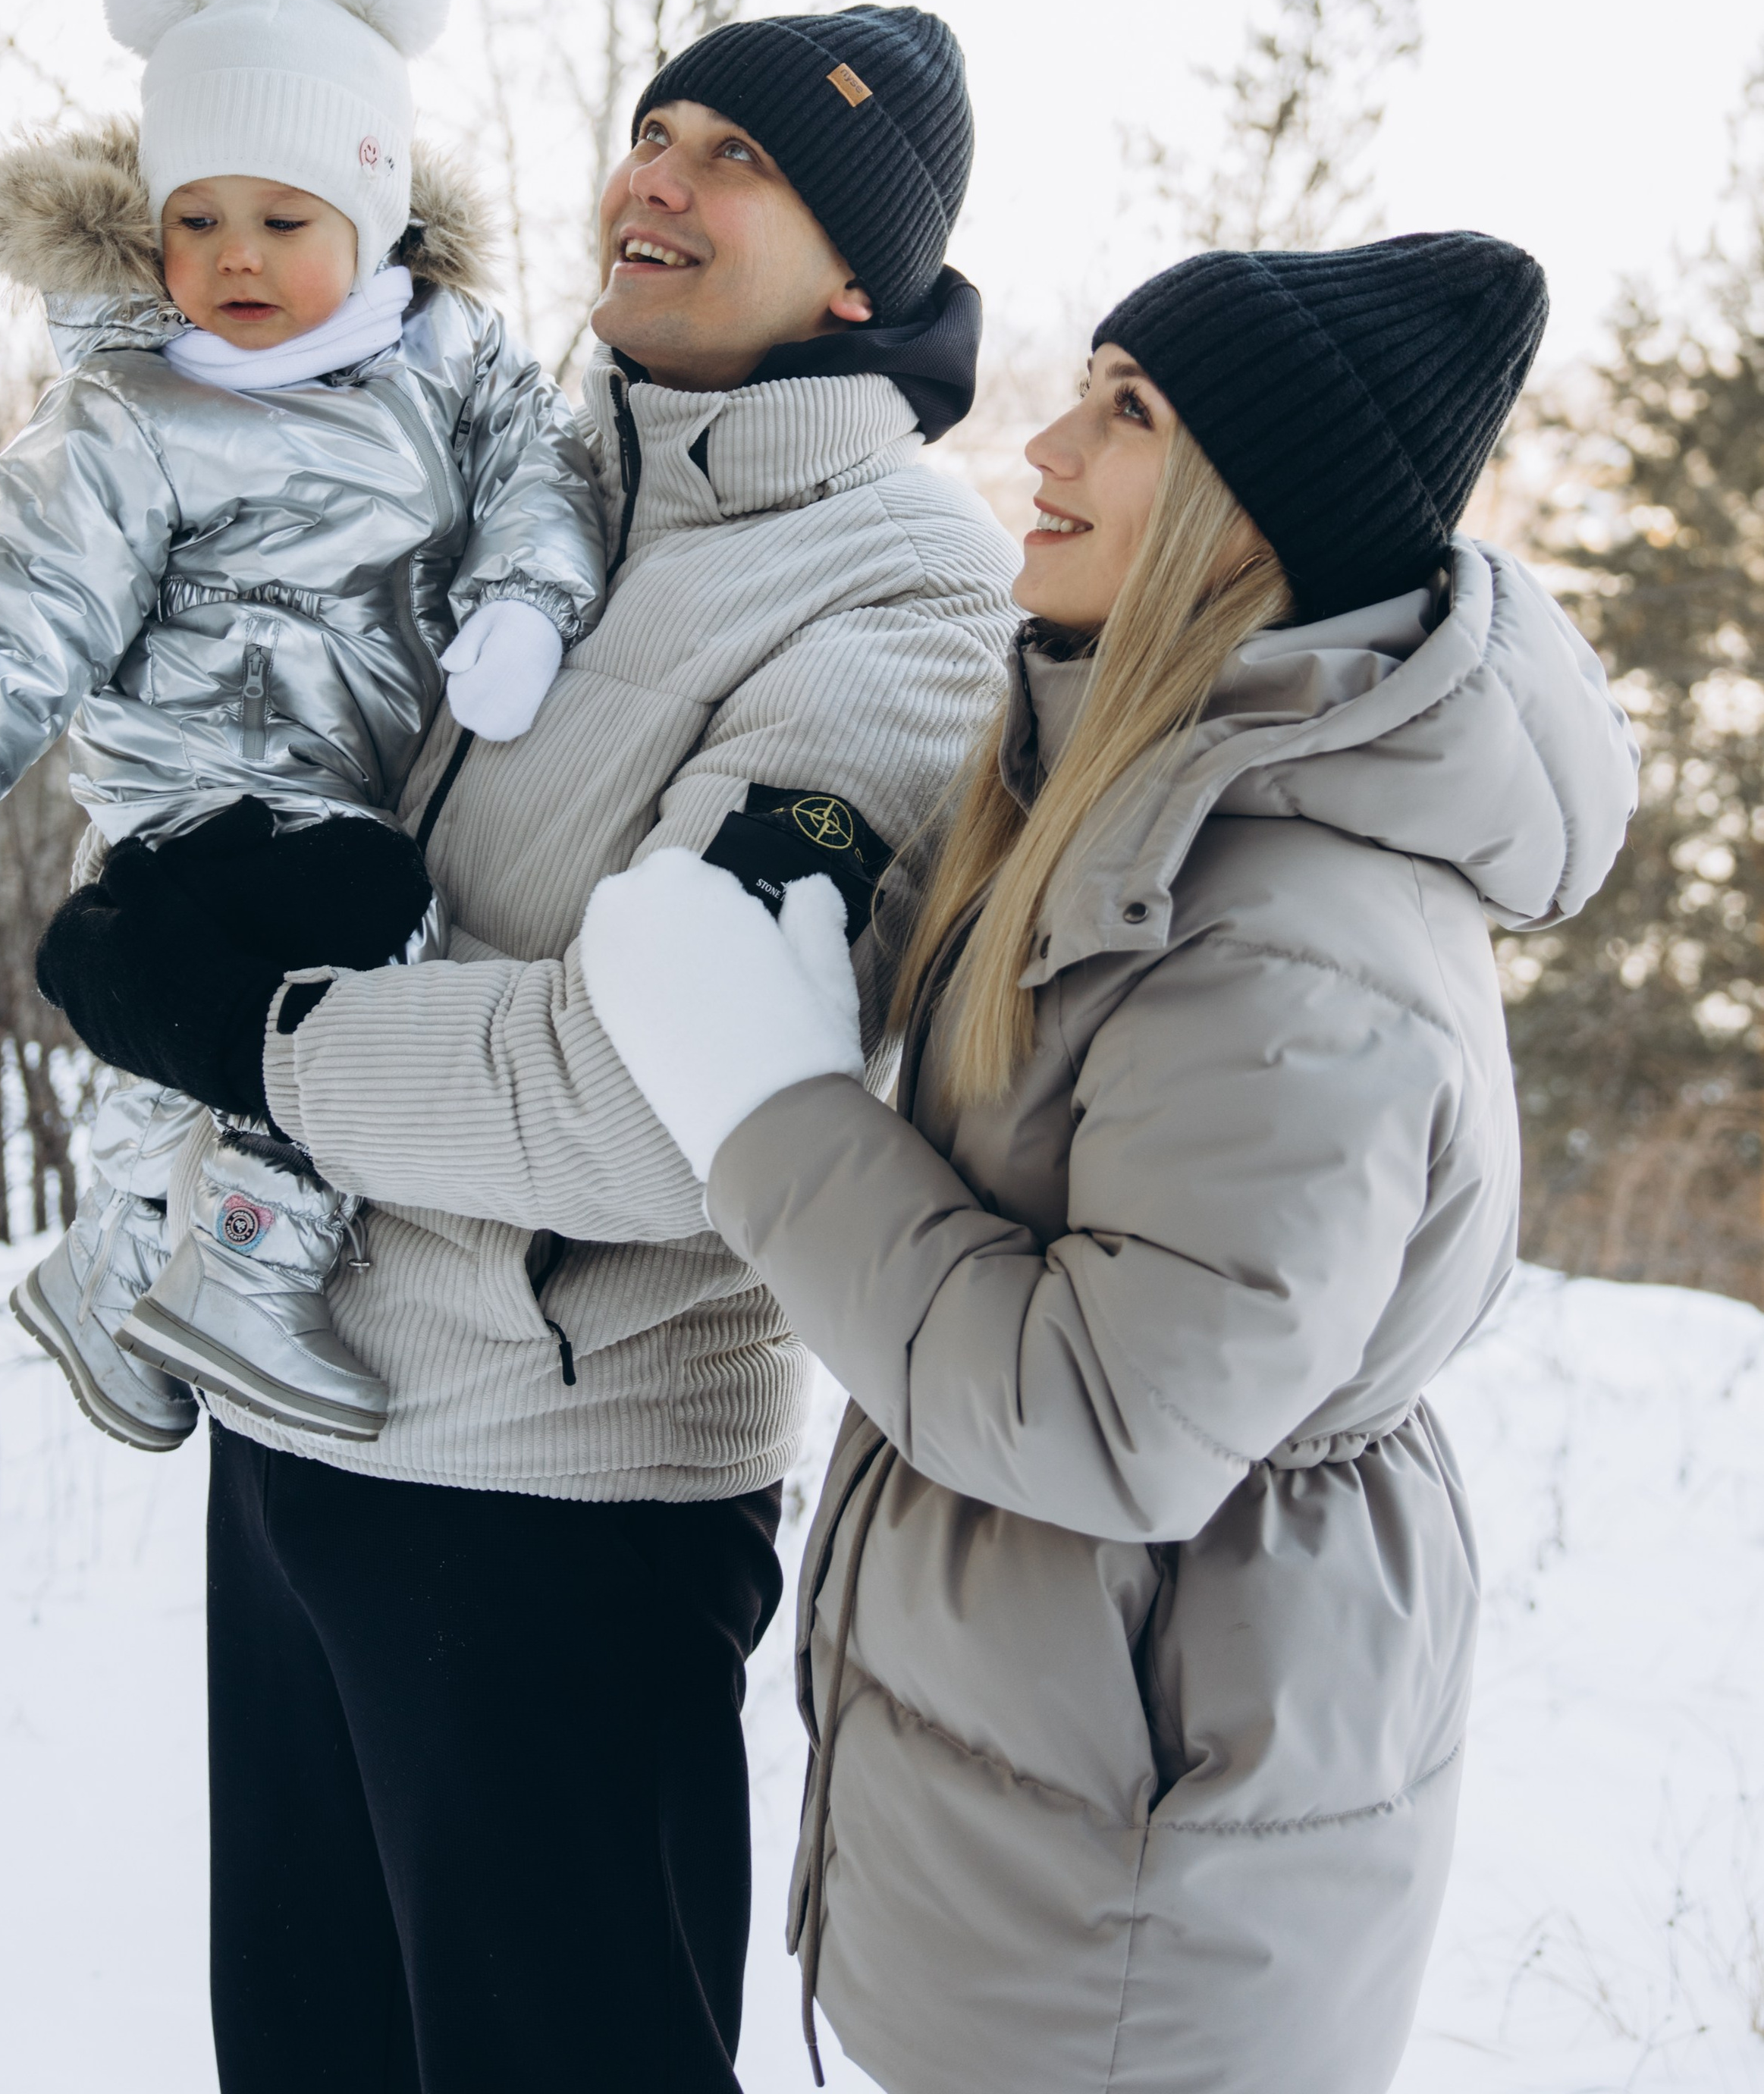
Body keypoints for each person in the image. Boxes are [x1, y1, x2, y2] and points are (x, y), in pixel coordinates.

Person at [34, 2, 1023, 2094]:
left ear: (863, 272)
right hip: (302, 1436)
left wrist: (258, 1035)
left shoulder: (907, 609)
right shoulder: (523, 488)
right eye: (652, 130)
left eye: (732, 159)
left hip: (558, 1522)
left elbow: (689, 1108)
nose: (650, 176)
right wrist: (164, 887)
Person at [580, 231, 1641, 2094]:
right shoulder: (1154, 804)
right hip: (1067, 1810)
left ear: (1254, 520)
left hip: (1140, 1884)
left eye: (1127, 412)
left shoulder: (1285, 944)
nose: (1047, 444)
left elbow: (1107, 1419)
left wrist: (766, 1111)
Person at [0, 0, 604, 1448]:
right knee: (358, 947)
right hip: (193, 786)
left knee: (238, 1018)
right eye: (196, 220)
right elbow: (31, 593)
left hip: (346, 767)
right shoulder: (130, 406)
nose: (235, 257)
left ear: (377, 213)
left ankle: (120, 1245)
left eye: (282, 215)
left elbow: (542, 475)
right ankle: (254, 1269)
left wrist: (525, 604)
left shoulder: (451, 365)